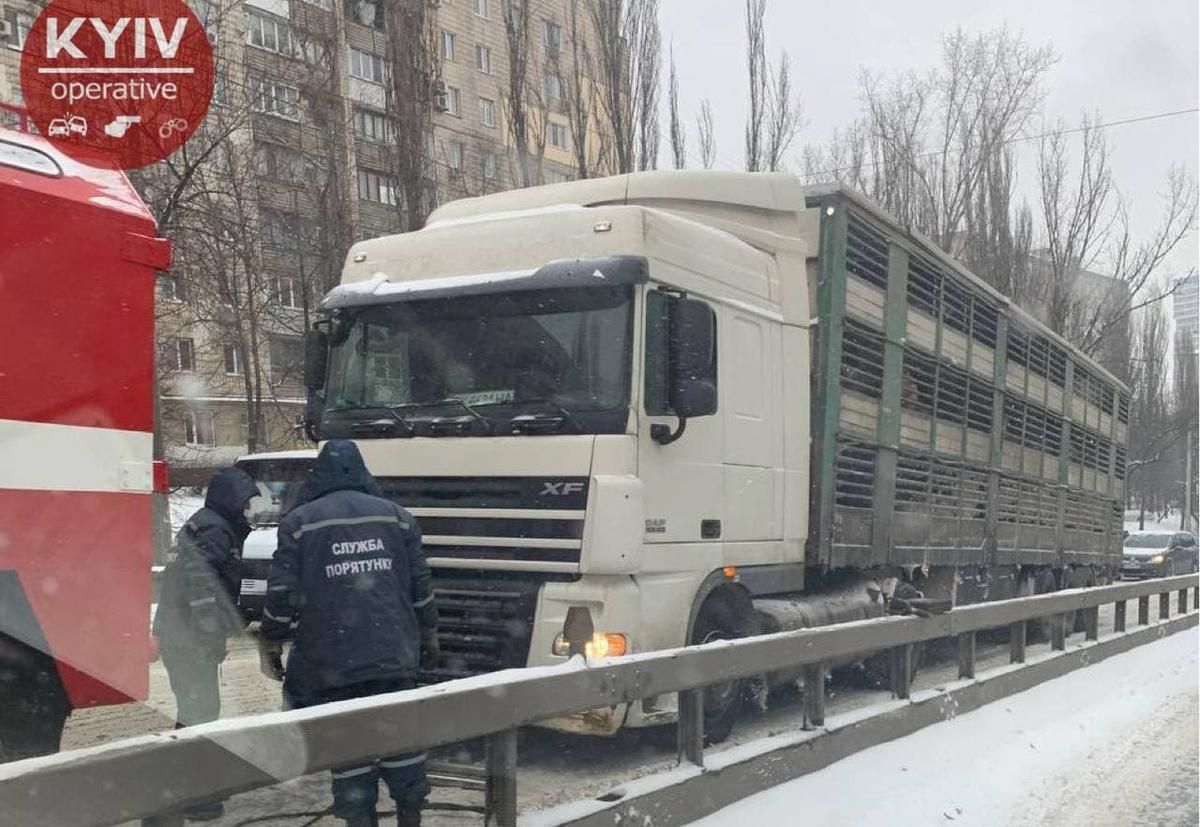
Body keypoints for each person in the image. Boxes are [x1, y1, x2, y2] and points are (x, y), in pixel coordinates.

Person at [258, 440, 438, 827]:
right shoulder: (398, 518)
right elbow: (419, 585)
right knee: (400, 736)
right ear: (363, 472)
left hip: (333, 661)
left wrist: (271, 640)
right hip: (394, 654)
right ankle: (410, 812)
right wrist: (429, 632)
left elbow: (282, 592)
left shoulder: (301, 522)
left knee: (350, 745)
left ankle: (359, 815)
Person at [151, 466, 258, 821]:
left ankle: (187, 787)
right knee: (200, 712)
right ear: (230, 499)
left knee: (196, 710)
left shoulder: (208, 522)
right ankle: (191, 793)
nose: (246, 511)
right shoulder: (214, 528)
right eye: (243, 503)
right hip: (189, 636)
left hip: (178, 631)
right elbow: (202, 586)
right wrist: (210, 633)